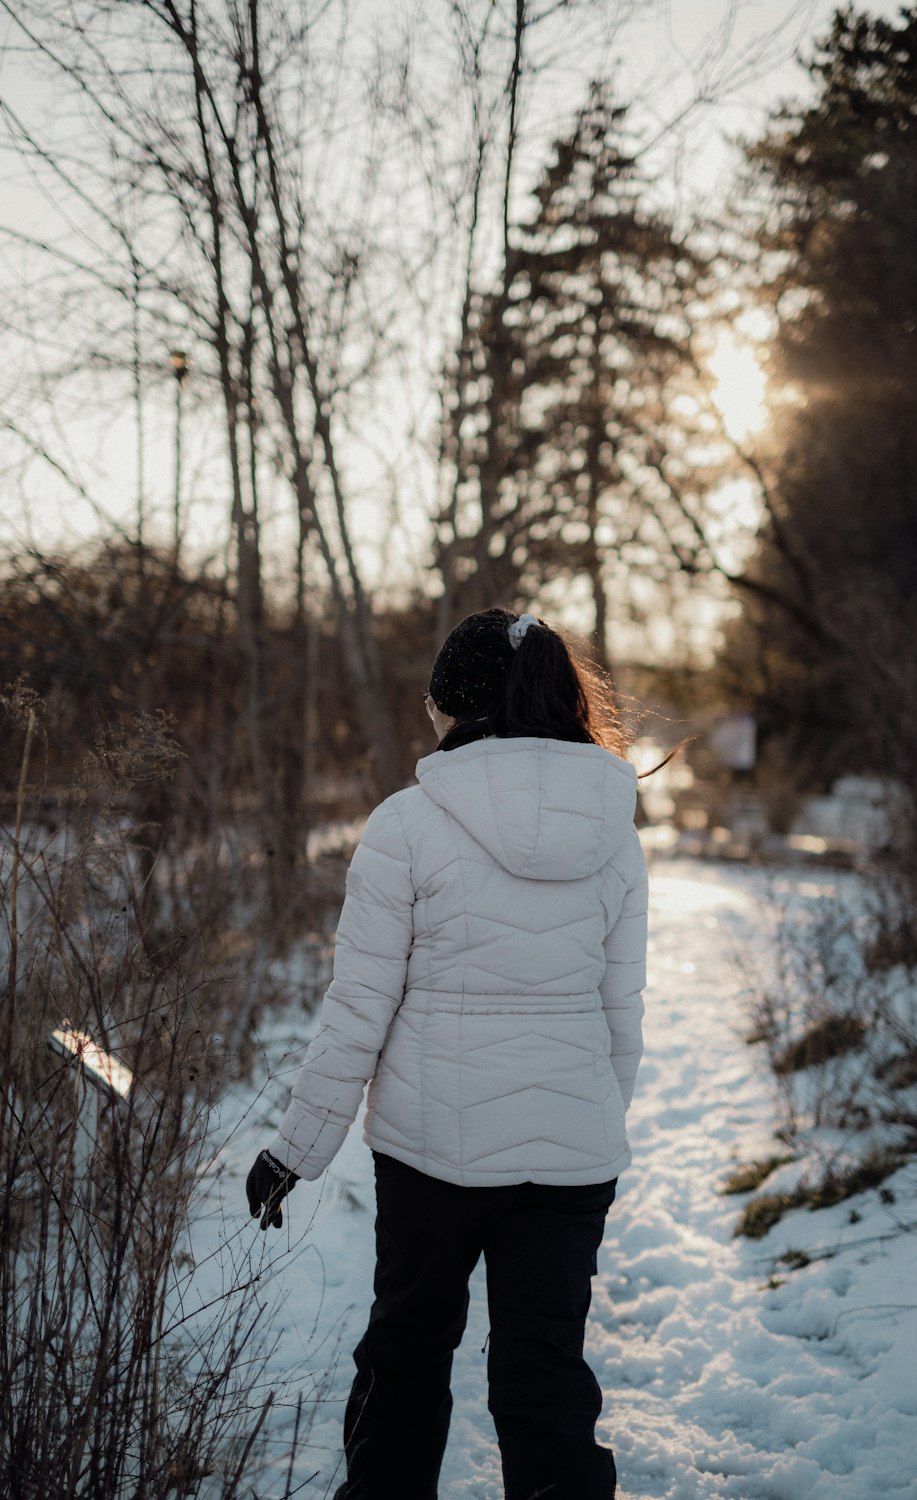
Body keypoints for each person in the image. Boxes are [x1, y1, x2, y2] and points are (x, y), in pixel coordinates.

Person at [246, 608, 648, 1500]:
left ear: (454, 706)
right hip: (572, 1162)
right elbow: (623, 1017)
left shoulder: (406, 826)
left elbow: (359, 1010)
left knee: (406, 1361)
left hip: (436, 1159)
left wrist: (294, 1151)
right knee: (547, 1382)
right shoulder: (614, 833)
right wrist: (581, 1125)